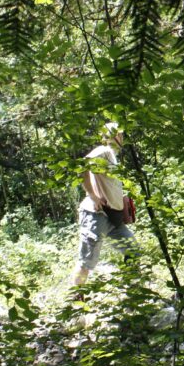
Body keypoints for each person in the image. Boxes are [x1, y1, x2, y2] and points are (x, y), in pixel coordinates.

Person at [71, 122, 135, 287]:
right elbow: (82, 167)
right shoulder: (103, 151)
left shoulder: (112, 156)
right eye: (117, 134)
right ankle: (76, 301)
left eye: (121, 134)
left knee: (132, 250)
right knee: (87, 261)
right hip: (97, 214)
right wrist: (92, 195)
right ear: (110, 136)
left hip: (114, 217)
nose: (121, 137)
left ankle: (133, 292)